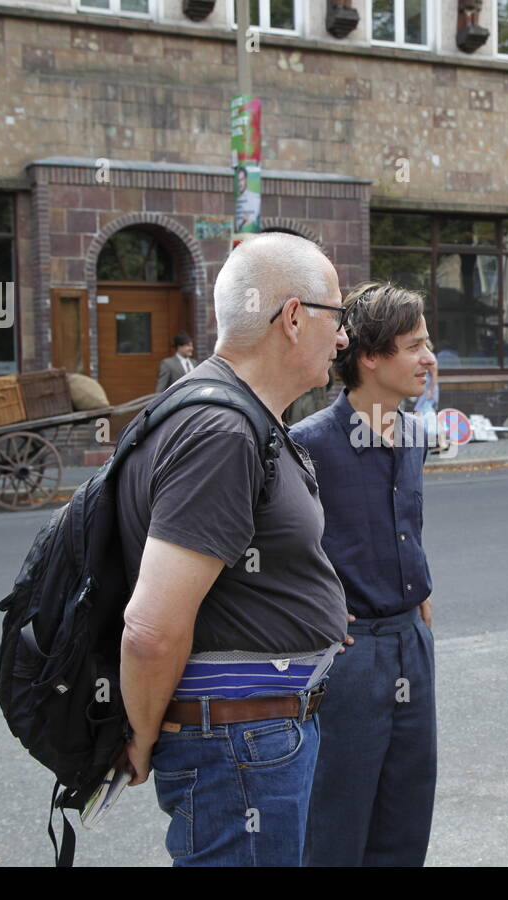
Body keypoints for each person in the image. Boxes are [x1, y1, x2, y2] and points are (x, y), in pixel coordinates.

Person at [116, 232, 350, 866]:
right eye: (338, 315)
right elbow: (149, 629)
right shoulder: (221, 431)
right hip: (239, 742)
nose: (345, 337)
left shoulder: (224, 412)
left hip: (249, 735)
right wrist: (139, 736)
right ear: (295, 317)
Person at [292, 281, 438, 866]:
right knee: (336, 823)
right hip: (348, 657)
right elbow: (259, 553)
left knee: (406, 817)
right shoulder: (306, 446)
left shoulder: (413, 434)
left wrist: (421, 595)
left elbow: (407, 528)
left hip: (411, 644)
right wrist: (310, 604)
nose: (429, 358)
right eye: (415, 346)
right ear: (371, 356)